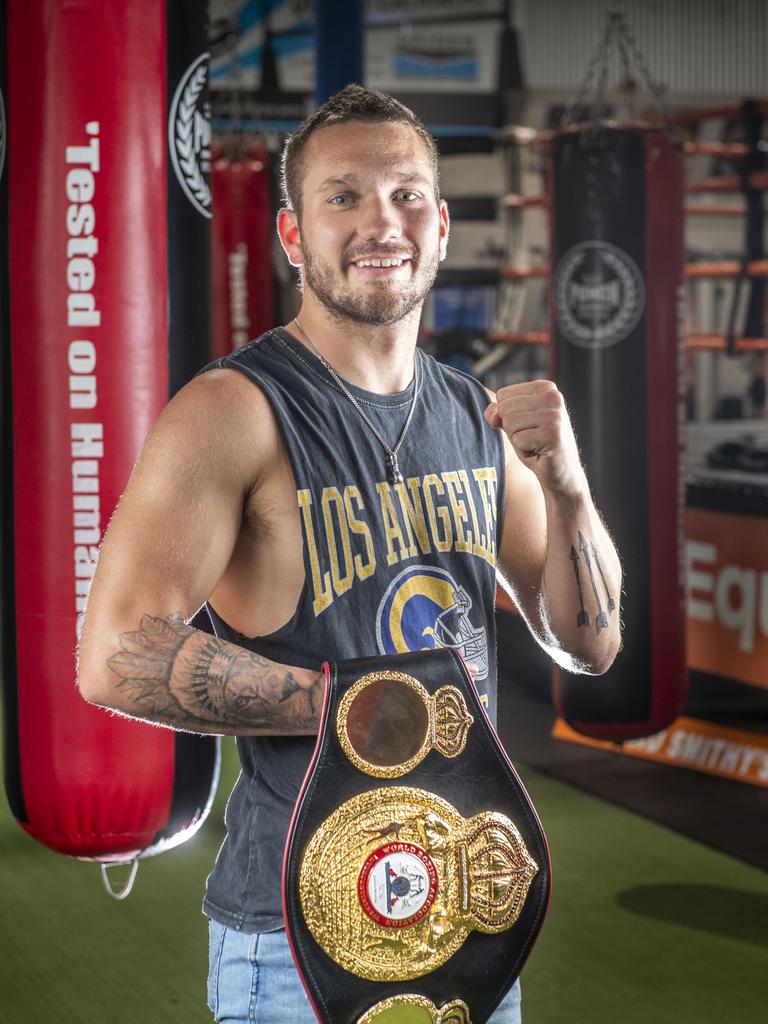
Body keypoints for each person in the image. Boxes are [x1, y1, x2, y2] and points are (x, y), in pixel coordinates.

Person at [78, 84, 622, 1024]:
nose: (383, 222)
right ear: (292, 236)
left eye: (408, 195)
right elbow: (114, 653)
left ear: (443, 225)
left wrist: (572, 487)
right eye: (344, 197)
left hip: (471, 928)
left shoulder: (474, 417)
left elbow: (591, 645)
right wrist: (357, 708)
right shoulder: (233, 412)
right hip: (295, 945)